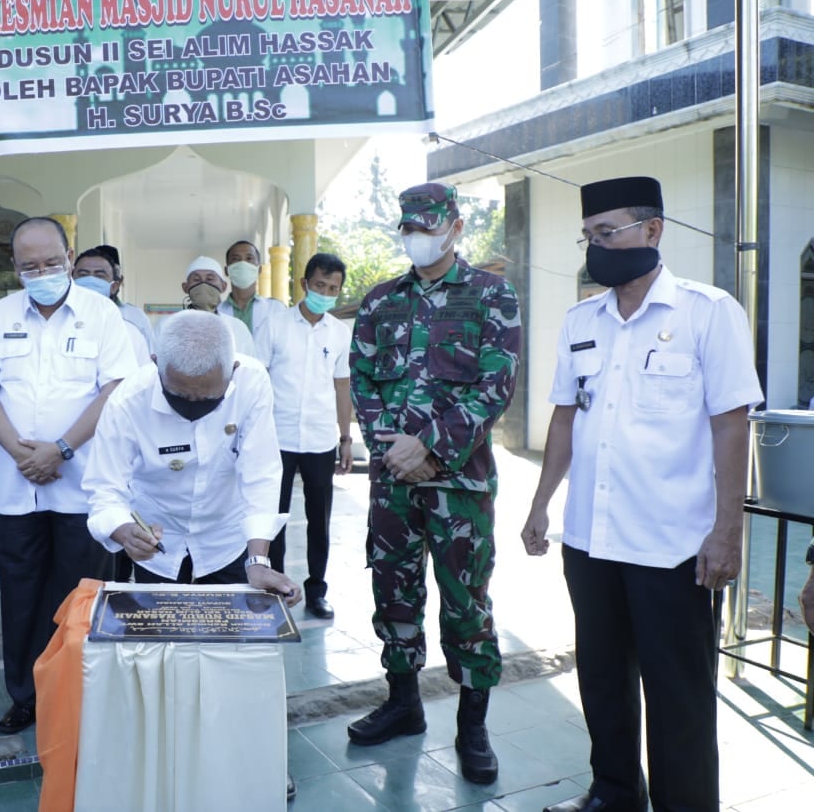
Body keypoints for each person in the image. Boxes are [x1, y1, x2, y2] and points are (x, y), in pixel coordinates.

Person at [522, 176, 762, 812]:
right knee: (601, 681)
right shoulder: (582, 321)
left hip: (673, 546)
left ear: (653, 231)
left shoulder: (708, 312)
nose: (595, 248)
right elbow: (566, 417)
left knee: (678, 695)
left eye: (608, 234)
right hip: (592, 539)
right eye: (589, 236)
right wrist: (542, 501)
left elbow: (731, 423)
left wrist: (727, 530)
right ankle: (615, 794)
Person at [81, 309, 302, 800]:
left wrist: (259, 560)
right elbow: (103, 490)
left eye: (209, 397)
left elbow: (263, 475)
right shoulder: (128, 400)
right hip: (155, 546)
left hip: (229, 540)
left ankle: (257, 758)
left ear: (234, 372)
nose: (197, 406)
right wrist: (119, 528)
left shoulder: (253, 383)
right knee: (161, 663)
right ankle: (168, 758)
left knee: (240, 661)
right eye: (182, 396)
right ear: (156, 363)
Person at [346, 182, 521, 786]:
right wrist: (393, 452)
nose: (418, 236)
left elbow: (495, 386)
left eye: (429, 225)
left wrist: (432, 447)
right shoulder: (378, 301)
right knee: (393, 595)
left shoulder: (491, 295)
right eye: (410, 226)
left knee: (466, 603)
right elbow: (363, 383)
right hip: (393, 483)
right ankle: (404, 702)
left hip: (460, 486)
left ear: (455, 226)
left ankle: (473, 726)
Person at [0, 216, 135, 735]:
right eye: (29, 265)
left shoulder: (102, 315)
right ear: (15, 268)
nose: (41, 272)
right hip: (19, 489)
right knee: (20, 598)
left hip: (82, 489)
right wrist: (23, 452)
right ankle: (26, 697)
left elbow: (117, 390)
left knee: (80, 597)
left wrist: (60, 449)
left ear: (68, 256)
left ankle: (78, 697)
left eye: (51, 262)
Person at [253, 253, 354, 620]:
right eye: (320, 285)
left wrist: (345, 438)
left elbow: (342, 387)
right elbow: (257, 379)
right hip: (276, 438)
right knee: (274, 517)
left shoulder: (339, 333)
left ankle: (317, 591)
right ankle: (276, 586)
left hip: (320, 440)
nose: (325, 293)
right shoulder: (275, 325)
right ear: (304, 284)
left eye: (333, 289)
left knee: (319, 519)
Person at [72, 246, 152, 368]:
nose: (90, 280)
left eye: (99, 276)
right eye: (83, 274)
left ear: (114, 286)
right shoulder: (55, 319)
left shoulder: (130, 331)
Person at [179, 255, 256, 358]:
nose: (203, 284)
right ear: (185, 287)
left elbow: (248, 367)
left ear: (223, 286)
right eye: (196, 280)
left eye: (210, 279)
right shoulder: (167, 325)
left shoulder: (237, 328)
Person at [95, 243, 156, 355]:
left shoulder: (135, 316)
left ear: (119, 281)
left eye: (100, 276)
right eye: (86, 274)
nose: (94, 281)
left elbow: (150, 357)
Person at [219, 239, 286, 337]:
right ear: (226, 270)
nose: (242, 263)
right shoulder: (217, 312)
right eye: (236, 259)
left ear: (259, 269)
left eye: (249, 258)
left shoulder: (276, 309)